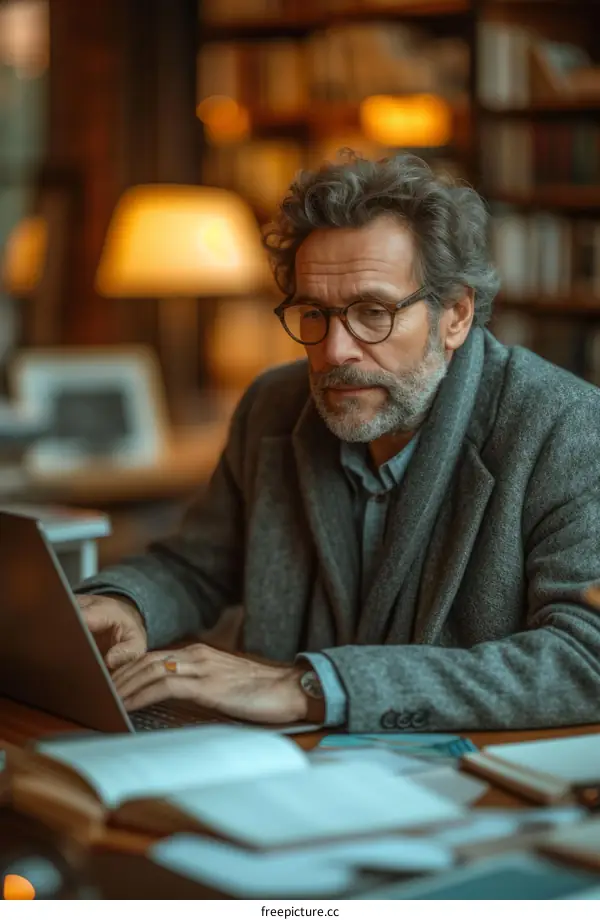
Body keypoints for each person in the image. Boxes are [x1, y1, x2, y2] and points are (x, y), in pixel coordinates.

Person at [78, 152, 600, 733]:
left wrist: (312, 685)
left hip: (470, 793)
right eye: (313, 313)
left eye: (373, 312)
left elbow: (587, 658)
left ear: (454, 316)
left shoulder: (566, 427)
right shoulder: (272, 408)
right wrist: (125, 603)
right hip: (281, 768)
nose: (334, 353)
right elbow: (197, 567)